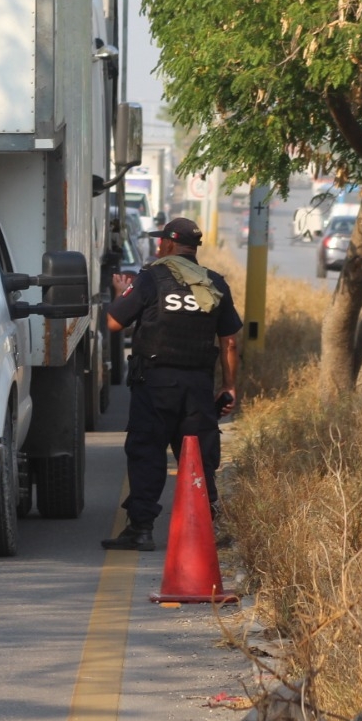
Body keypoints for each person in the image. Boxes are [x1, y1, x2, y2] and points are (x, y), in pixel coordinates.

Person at [102, 216, 241, 551]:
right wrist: (230, 386)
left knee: (147, 452)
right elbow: (230, 342)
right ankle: (205, 529)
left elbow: (113, 322)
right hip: (197, 387)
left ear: (165, 244)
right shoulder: (215, 283)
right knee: (198, 456)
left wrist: (123, 294)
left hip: (155, 384)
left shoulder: (150, 278)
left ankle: (142, 530)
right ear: (193, 248)